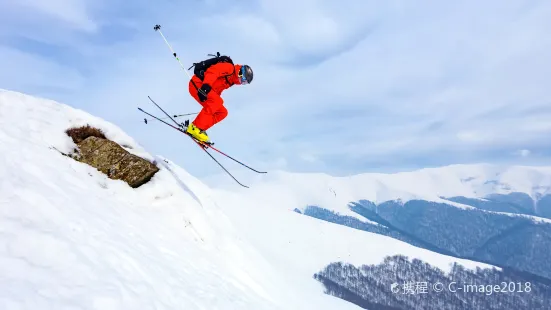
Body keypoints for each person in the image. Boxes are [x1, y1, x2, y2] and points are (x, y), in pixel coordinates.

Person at [185, 61, 253, 143]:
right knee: (218, 101)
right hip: (198, 84)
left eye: (244, 83)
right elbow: (213, 71)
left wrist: (214, 103)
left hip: (206, 90)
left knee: (222, 112)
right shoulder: (230, 68)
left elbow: (217, 91)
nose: (242, 83)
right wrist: (206, 86)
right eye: (244, 81)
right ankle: (195, 127)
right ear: (241, 73)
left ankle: (200, 129)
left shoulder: (231, 81)